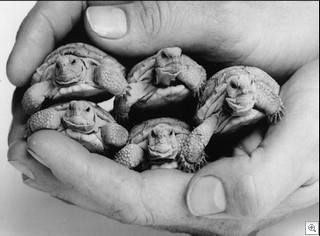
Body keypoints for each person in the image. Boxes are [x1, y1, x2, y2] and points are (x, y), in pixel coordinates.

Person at [7, 2, 319, 235]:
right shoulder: (120, 79)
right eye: (165, 58)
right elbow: (123, 97)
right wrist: (120, 113)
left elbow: (200, 99)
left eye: (175, 56)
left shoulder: (207, 84)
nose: (64, 67)